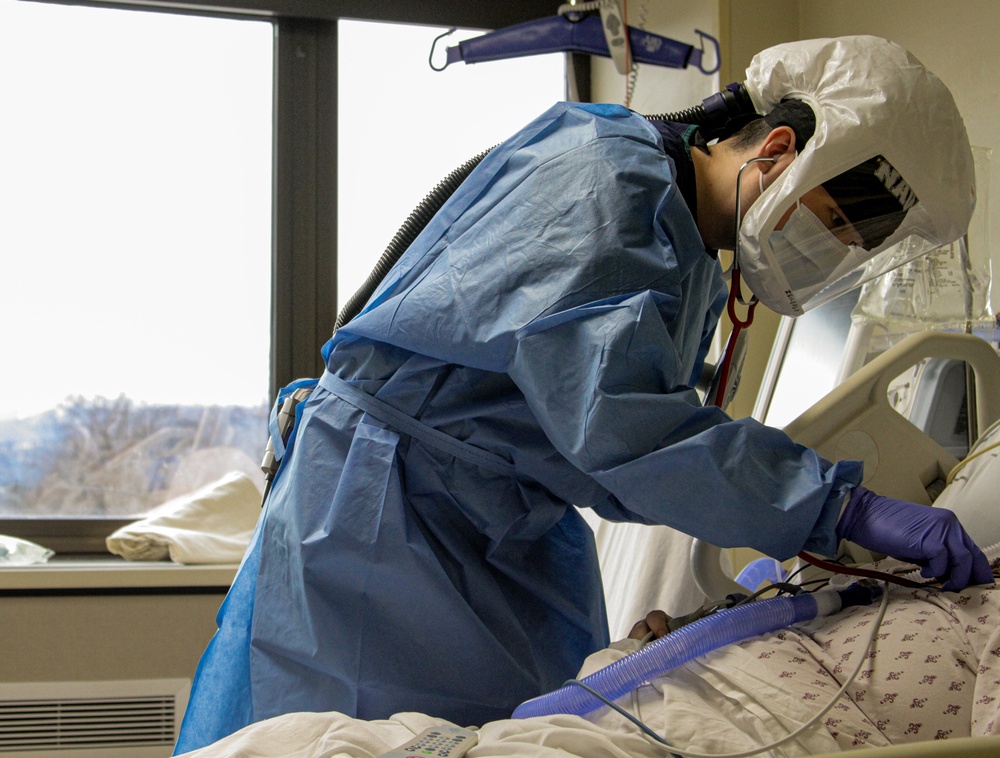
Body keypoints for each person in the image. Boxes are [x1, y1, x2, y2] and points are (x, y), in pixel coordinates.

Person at [175, 35, 991, 753]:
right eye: (836, 224)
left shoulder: (682, 240)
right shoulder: (605, 188)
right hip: (383, 516)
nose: (833, 252)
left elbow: (608, 432)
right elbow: (630, 429)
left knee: (531, 730)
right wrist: (836, 508)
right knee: (329, 734)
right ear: (776, 152)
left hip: (500, 521)